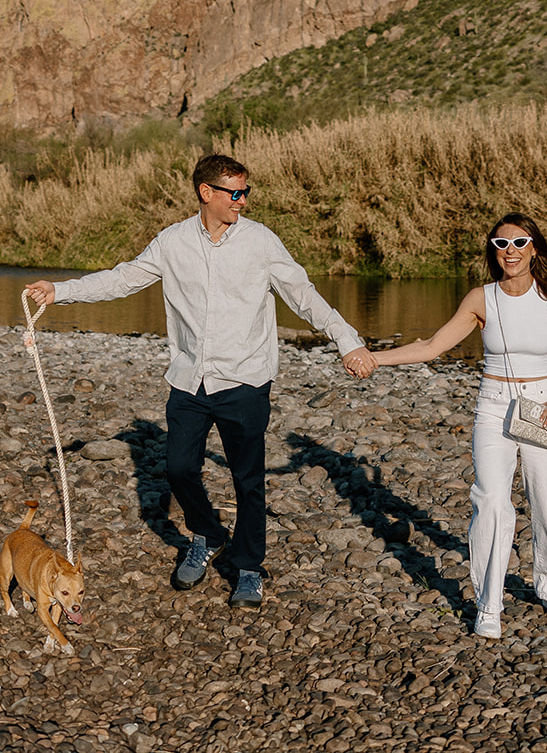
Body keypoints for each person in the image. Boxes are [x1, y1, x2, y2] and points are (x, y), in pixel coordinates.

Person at [24, 154, 377, 608]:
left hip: (246, 380)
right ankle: (207, 535)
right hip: (190, 380)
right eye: (234, 193)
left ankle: (249, 569)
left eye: (246, 191)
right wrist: (62, 290)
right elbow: (125, 278)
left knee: (248, 479)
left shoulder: (261, 242)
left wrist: (346, 340)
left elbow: (303, 295)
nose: (243, 201)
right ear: (205, 193)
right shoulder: (172, 242)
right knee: (178, 469)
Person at [369, 212, 547, 639]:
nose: (511, 252)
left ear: (533, 248)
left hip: (543, 406)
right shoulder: (481, 298)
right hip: (494, 406)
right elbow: (431, 346)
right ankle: (488, 604)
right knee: (491, 500)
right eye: (501, 245)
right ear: (493, 251)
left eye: (519, 243)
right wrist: (374, 358)